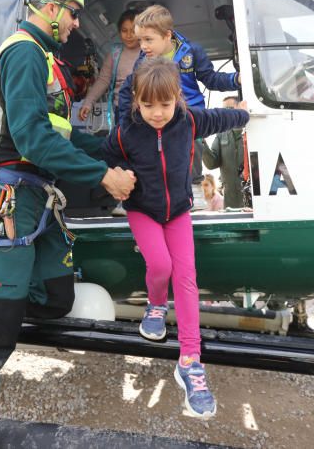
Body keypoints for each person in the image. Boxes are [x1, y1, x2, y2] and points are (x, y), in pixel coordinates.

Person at [0, 0, 136, 449]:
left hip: (41, 202)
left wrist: (117, 149)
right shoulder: (25, 54)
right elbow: (30, 137)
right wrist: (102, 176)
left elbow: (58, 135)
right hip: (11, 202)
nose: (75, 24)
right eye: (73, 14)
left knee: (57, 297)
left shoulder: (48, 62)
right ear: (51, 7)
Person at [103, 56, 249, 419]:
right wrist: (113, 177)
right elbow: (103, 158)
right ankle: (154, 306)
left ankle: (190, 362)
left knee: (186, 279)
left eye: (165, 104)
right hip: (142, 210)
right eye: (148, 104)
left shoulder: (188, 120)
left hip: (179, 211)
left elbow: (222, 118)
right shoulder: (125, 132)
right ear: (136, 99)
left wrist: (244, 113)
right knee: (160, 265)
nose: (157, 113)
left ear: (177, 100)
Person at [118, 4, 241, 185]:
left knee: (191, 165)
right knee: (160, 168)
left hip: (189, 116)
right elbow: (134, 93)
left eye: (148, 40)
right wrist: (128, 125)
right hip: (159, 123)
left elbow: (211, 79)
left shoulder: (192, 51)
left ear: (167, 35)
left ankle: (196, 194)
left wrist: (236, 79)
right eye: (140, 41)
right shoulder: (142, 61)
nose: (143, 46)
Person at [78, 9, 140, 129]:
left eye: (133, 31)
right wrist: (88, 103)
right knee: (123, 145)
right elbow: (103, 80)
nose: (129, 35)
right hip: (121, 110)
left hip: (147, 109)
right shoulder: (115, 54)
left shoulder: (149, 51)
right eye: (124, 31)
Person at [202, 94, 249, 209]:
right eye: (224, 110)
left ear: (241, 107)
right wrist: (201, 142)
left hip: (251, 198)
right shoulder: (221, 134)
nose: (226, 113)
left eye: (229, 109)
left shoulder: (252, 131)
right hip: (231, 200)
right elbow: (212, 163)